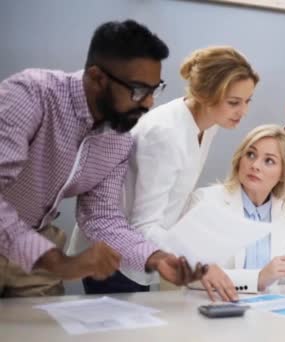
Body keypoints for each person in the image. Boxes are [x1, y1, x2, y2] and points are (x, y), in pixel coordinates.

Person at [0, 20, 202, 297]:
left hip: (36, 243)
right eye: (139, 90)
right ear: (97, 78)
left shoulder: (118, 139)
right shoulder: (31, 95)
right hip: (30, 245)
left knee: (47, 331)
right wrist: (59, 262)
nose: (149, 103)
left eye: (154, 90)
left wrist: (154, 257)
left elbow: (102, 217)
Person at [67, 46, 259, 300]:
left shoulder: (209, 124)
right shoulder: (165, 134)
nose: (243, 111)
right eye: (234, 102)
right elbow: (144, 224)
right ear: (205, 95)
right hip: (115, 257)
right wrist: (198, 263)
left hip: (144, 252)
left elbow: (172, 199)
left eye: (247, 101)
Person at [185, 124, 285, 295]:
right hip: (215, 310)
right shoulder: (206, 201)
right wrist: (256, 279)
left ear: (282, 173)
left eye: (269, 160)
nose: (255, 165)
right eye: (250, 154)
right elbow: (193, 275)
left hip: (267, 313)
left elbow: (274, 277)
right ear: (240, 158)